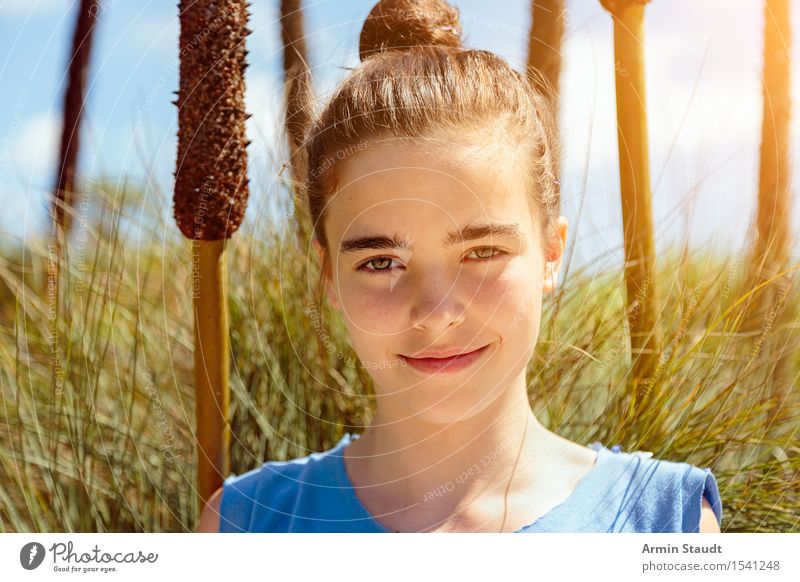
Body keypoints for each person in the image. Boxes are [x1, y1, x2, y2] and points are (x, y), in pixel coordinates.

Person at [197, 0, 723, 533]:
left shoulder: (668, 523)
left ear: (551, 253)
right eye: (382, 262)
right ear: (329, 274)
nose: (436, 313)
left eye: (481, 252)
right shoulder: (242, 524)